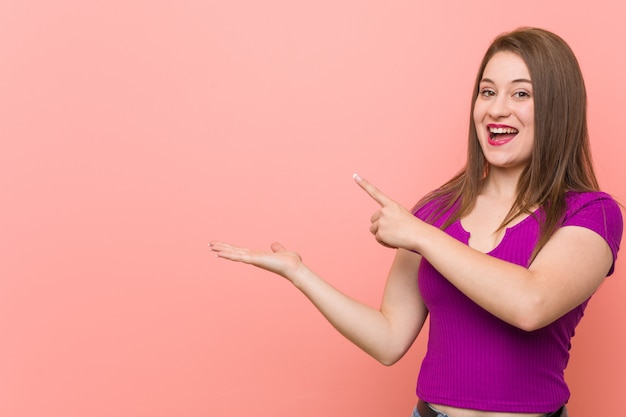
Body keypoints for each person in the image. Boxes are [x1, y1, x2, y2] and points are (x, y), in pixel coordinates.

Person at [209, 27, 623, 417]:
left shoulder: (592, 213)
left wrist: (422, 236)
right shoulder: (438, 212)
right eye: (487, 92)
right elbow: (388, 338)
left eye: (521, 94)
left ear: (557, 108)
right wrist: (299, 274)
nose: (497, 108)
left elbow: (531, 305)